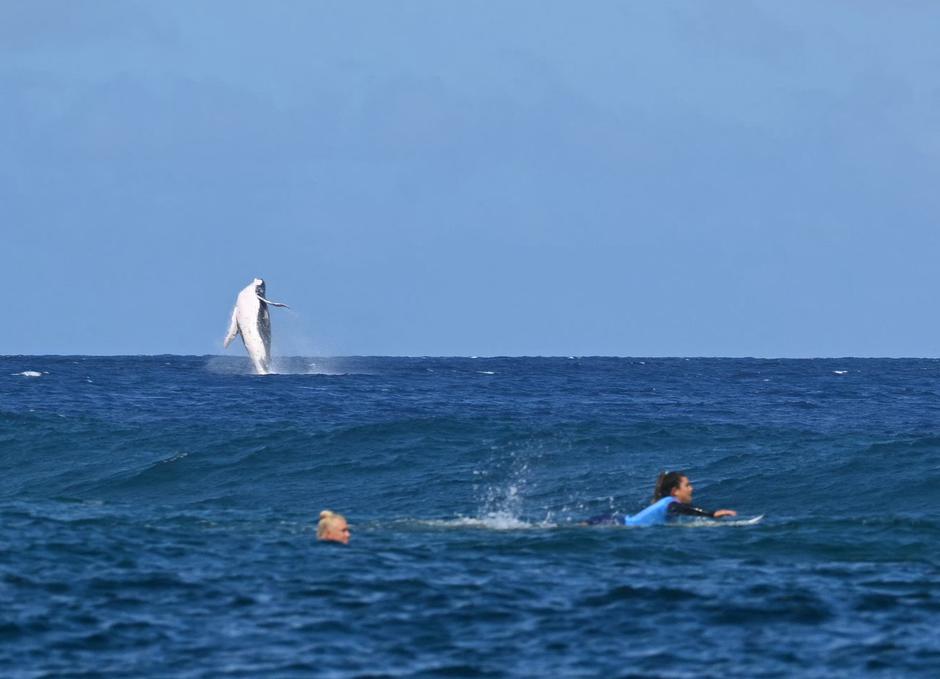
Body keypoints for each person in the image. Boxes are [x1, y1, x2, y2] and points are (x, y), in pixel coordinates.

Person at [586, 471, 737, 526]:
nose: (691, 488)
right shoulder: (671, 503)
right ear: (675, 491)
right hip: (613, 523)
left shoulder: (666, 503)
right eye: (687, 485)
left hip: (617, 520)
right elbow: (682, 509)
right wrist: (711, 514)